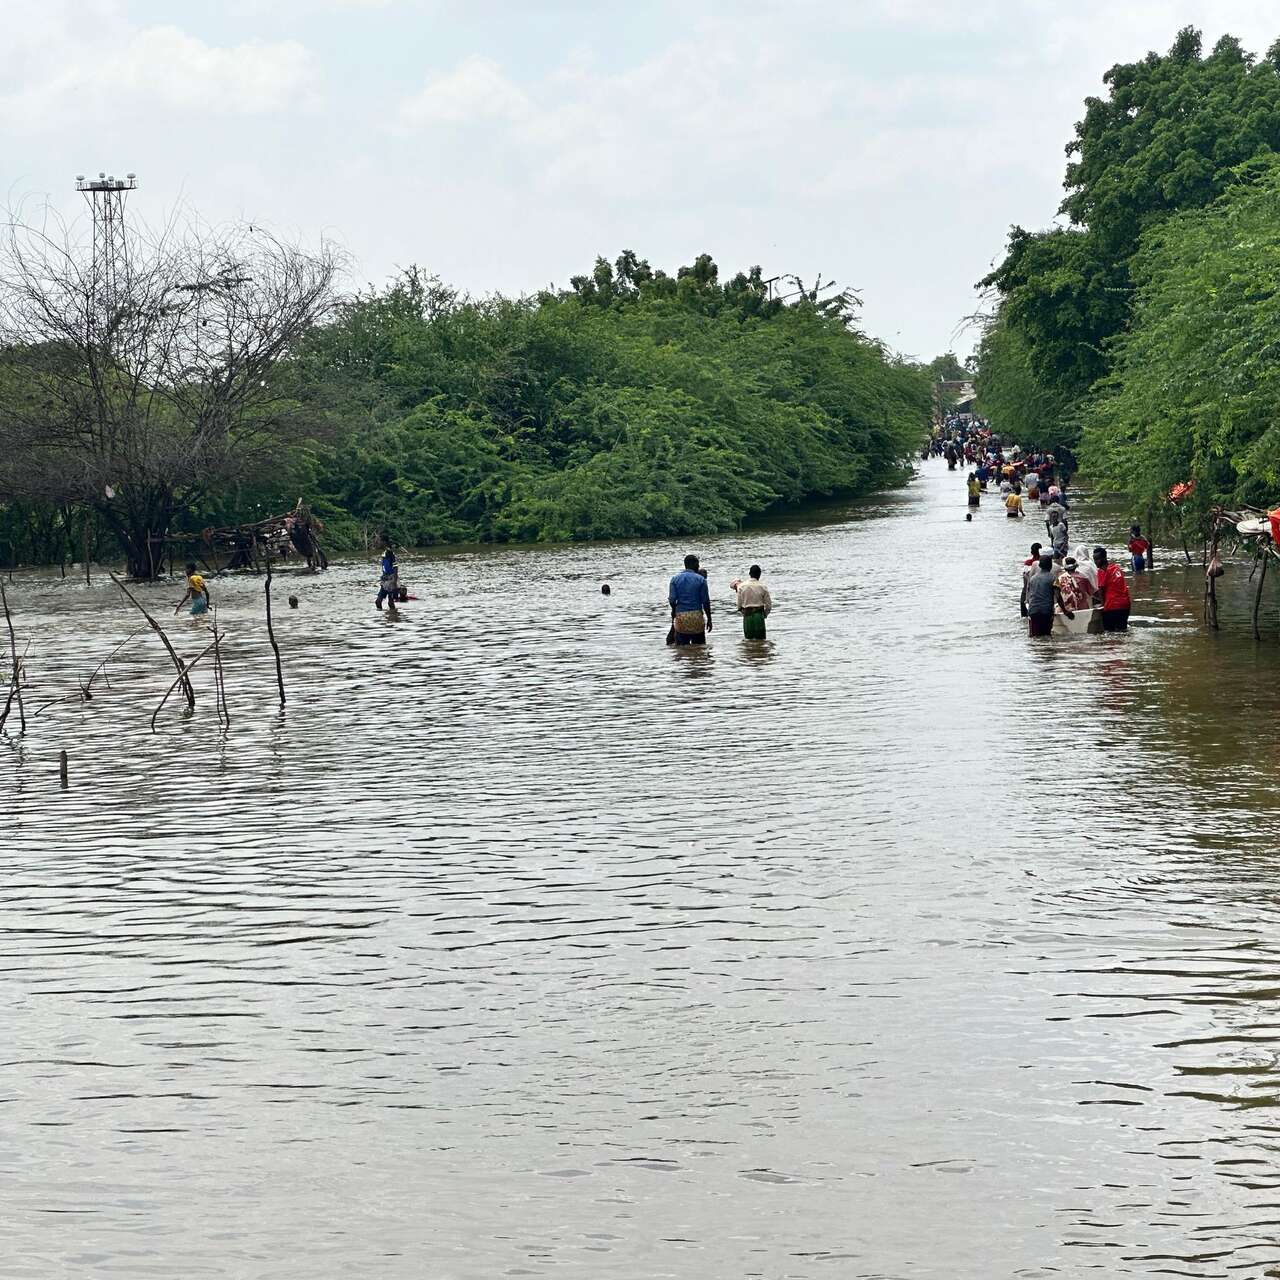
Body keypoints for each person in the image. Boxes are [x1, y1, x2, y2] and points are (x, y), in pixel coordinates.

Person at [1021, 555, 1073, 637]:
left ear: (1040, 566)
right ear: (1051, 566)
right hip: (1046, 612)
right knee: (1046, 635)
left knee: (1034, 637)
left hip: (1033, 611)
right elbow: (1058, 597)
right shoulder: (1053, 578)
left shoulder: (1033, 579)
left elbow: (1030, 595)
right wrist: (1065, 611)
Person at [668, 554, 712, 645]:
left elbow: (672, 600)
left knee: (682, 648)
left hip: (682, 617)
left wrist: (674, 610)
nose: (699, 566)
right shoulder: (701, 580)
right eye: (697, 564)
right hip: (697, 617)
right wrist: (709, 619)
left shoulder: (674, 579)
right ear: (694, 564)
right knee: (699, 649)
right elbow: (706, 602)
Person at [1092, 547, 1131, 631]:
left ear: (1104, 558)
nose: (1095, 562)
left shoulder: (1102, 571)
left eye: (1097, 559)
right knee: (1123, 631)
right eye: (1094, 559)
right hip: (1125, 605)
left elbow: (1101, 591)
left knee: (1109, 635)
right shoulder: (1116, 568)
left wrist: (1103, 607)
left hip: (1112, 606)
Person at [732, 564, 772, 639]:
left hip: (747, 616)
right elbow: (769, 606)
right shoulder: (763, 587)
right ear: (759, 575)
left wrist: (743, 612)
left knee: (748, 641)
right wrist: (764, 615)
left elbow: (739, 606)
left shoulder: (741, 586)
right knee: (761, 640)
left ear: (749, 574)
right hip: (759, 616)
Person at [375, 544, 399, 610]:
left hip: (391, 580)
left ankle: (394, 615)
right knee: (378, 602)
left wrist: (395, 582)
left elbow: (396, 569)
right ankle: (384, 617)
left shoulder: (391, 556)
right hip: (384, 580)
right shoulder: (383, 555)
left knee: (390, 602)